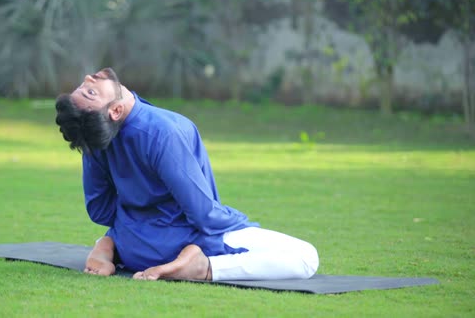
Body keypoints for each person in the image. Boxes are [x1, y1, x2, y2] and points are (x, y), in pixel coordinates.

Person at [55, 68, 319, 281]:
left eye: (84, 86)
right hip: (180, 246)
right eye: (90, 91)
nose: (90, 78)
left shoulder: (96, 138)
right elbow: (204, 215)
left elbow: (99, 210)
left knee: (122, 231)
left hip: (132, 247)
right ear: (115, 111)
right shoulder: (163, 131)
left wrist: (132, 227)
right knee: (306, 257)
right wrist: (238, 221)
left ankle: (107, 243)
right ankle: (202, 269)